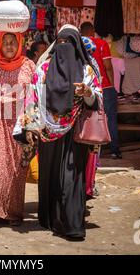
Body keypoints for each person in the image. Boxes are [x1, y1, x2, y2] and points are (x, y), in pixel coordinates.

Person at [14, 25, 103, 240]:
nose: (64, 48)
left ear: (77, 46)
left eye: (69, 44)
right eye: (60, 43)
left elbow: (97, 100)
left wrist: (88, 93)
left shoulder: (86, 71)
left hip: (75, 133)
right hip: (47, 132)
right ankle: (50, 220)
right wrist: (30, 127)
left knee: (72, 178)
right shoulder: (43, 69)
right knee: (51, 178)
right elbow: (32, 98)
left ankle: (73, 225)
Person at [0, 32, 35, 226]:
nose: (9, 46)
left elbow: (34, 93)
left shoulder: (28, 64)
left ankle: (13, 212)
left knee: (15, 167)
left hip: (19, 123)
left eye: (13, 43)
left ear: (19, 44)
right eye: (5, 43)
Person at [80, 22, 121, 159]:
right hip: (105, 86)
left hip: (87, 88)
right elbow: (108, 66)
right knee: (110, 118)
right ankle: (115, 150)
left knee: (89, 118)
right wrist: (112, 85)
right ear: (93, 32)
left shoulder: (78, 44)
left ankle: (91, 150)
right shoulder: (101, 44)